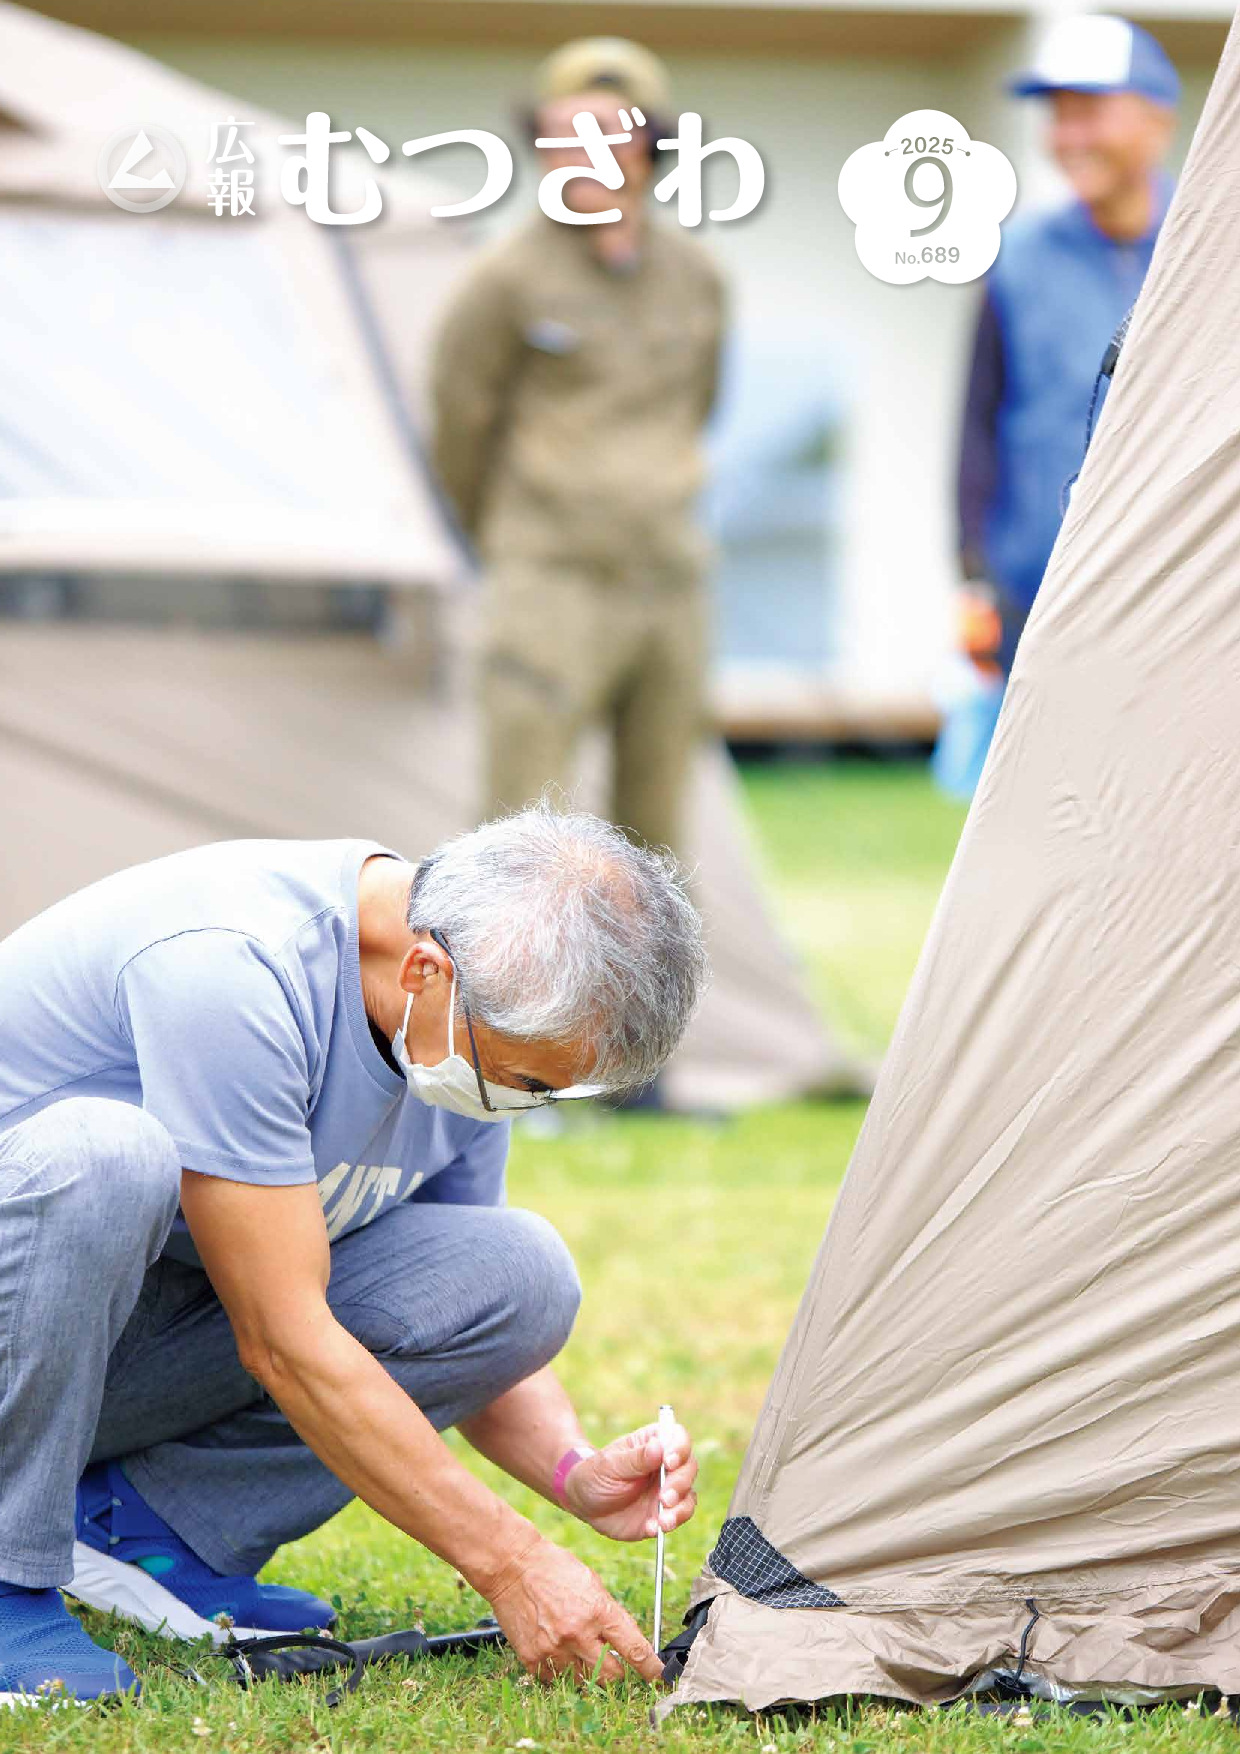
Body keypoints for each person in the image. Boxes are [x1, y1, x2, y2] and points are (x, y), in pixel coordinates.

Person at [0, 805, 707, 1703]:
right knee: (103, 1159)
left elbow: (454, 1308)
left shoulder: (450, 1021)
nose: (523, 1107)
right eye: (528, 1082)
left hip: (98, 1349)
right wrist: (512, 1563)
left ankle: (138, 1528)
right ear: (426, 970)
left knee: (515, 1273)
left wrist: (575, 1476)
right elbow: (283, 1337)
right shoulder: (232, 963)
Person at [431, 37, 727, 858]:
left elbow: (699, 405)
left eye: (611, 129)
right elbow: (459, 430)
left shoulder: (697, 276)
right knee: (517, 838)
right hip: (549, 582)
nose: (589, 151)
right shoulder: (505, 279)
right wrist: (518, 539)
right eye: (568, 131)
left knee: (660, 840)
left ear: (651, 146)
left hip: (668, 579)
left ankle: (658, 993)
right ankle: (492, 991)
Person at [934, 14, 1178, 798]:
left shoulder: (1211, 249)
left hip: (1181, 594)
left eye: (1089, 109)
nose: (1068, 135)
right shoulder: (1015, 260)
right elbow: (977, 423)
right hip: (1037, 596)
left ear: (1157, 119)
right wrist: (974, 576)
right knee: (1045, 812)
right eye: (1056, 114)